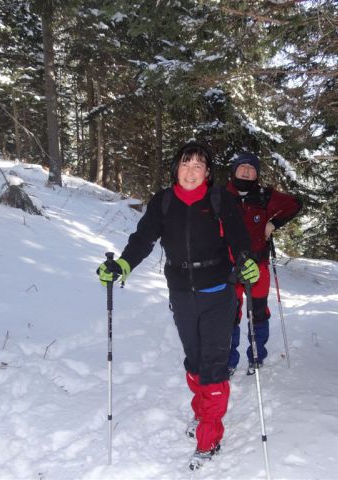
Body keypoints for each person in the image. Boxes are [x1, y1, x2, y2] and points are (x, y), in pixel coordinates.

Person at [97, 142, 259, 471]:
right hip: (181, 292)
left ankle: (209, 437)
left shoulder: (219, 199)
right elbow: (143, 238)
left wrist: (246, 262)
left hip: (218, 291)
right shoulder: (164, 201)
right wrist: (123, 266)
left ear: (208, 173)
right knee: (194, 360)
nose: (191, 171)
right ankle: (202, 412)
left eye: (198, 165)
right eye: (185, 164)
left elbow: (241, 239)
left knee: (213, 364)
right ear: (176, 169)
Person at [225, 152, 302, 375]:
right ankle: (229, 360)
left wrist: (274, 223)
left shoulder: (265, 195)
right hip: (228, 268)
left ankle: (257, 355)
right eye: (242, 166)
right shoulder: (221, 195)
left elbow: (296, 204)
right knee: (229, 314)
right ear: (234, 170)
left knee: (258, 312)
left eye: (252, 168)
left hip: (257, 267)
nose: (247, 171)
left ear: (256, 173)